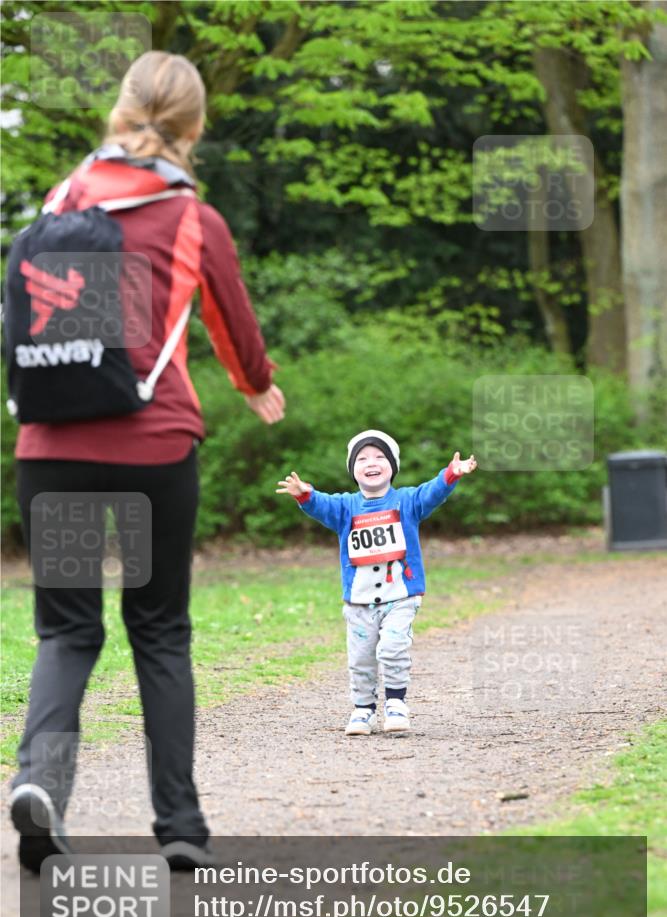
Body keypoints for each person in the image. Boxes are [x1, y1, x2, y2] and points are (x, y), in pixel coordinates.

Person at [8, 51, 285, 873]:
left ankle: (41, 786)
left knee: (66, 631)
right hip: (154, 450)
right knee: (159, 631)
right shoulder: (192, 218)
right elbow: (233, 324)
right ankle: (182, 829)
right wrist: (255, 386)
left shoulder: (62, 199)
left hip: (51, 451)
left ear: (118, 112)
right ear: (195, 127)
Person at [277, 430, 476, 736]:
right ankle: (363, 710)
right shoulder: (345, 507)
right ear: (352, 469)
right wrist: (305, 494)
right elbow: (322, 505)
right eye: (362, 458)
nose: (371, 462)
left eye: (380, 457)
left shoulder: (406, 501)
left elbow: (431, 493)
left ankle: (396, 703)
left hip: (401, 595)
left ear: (392, 466)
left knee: (393, 647)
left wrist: (450, 474)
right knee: (360, 658)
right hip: (359, 601)